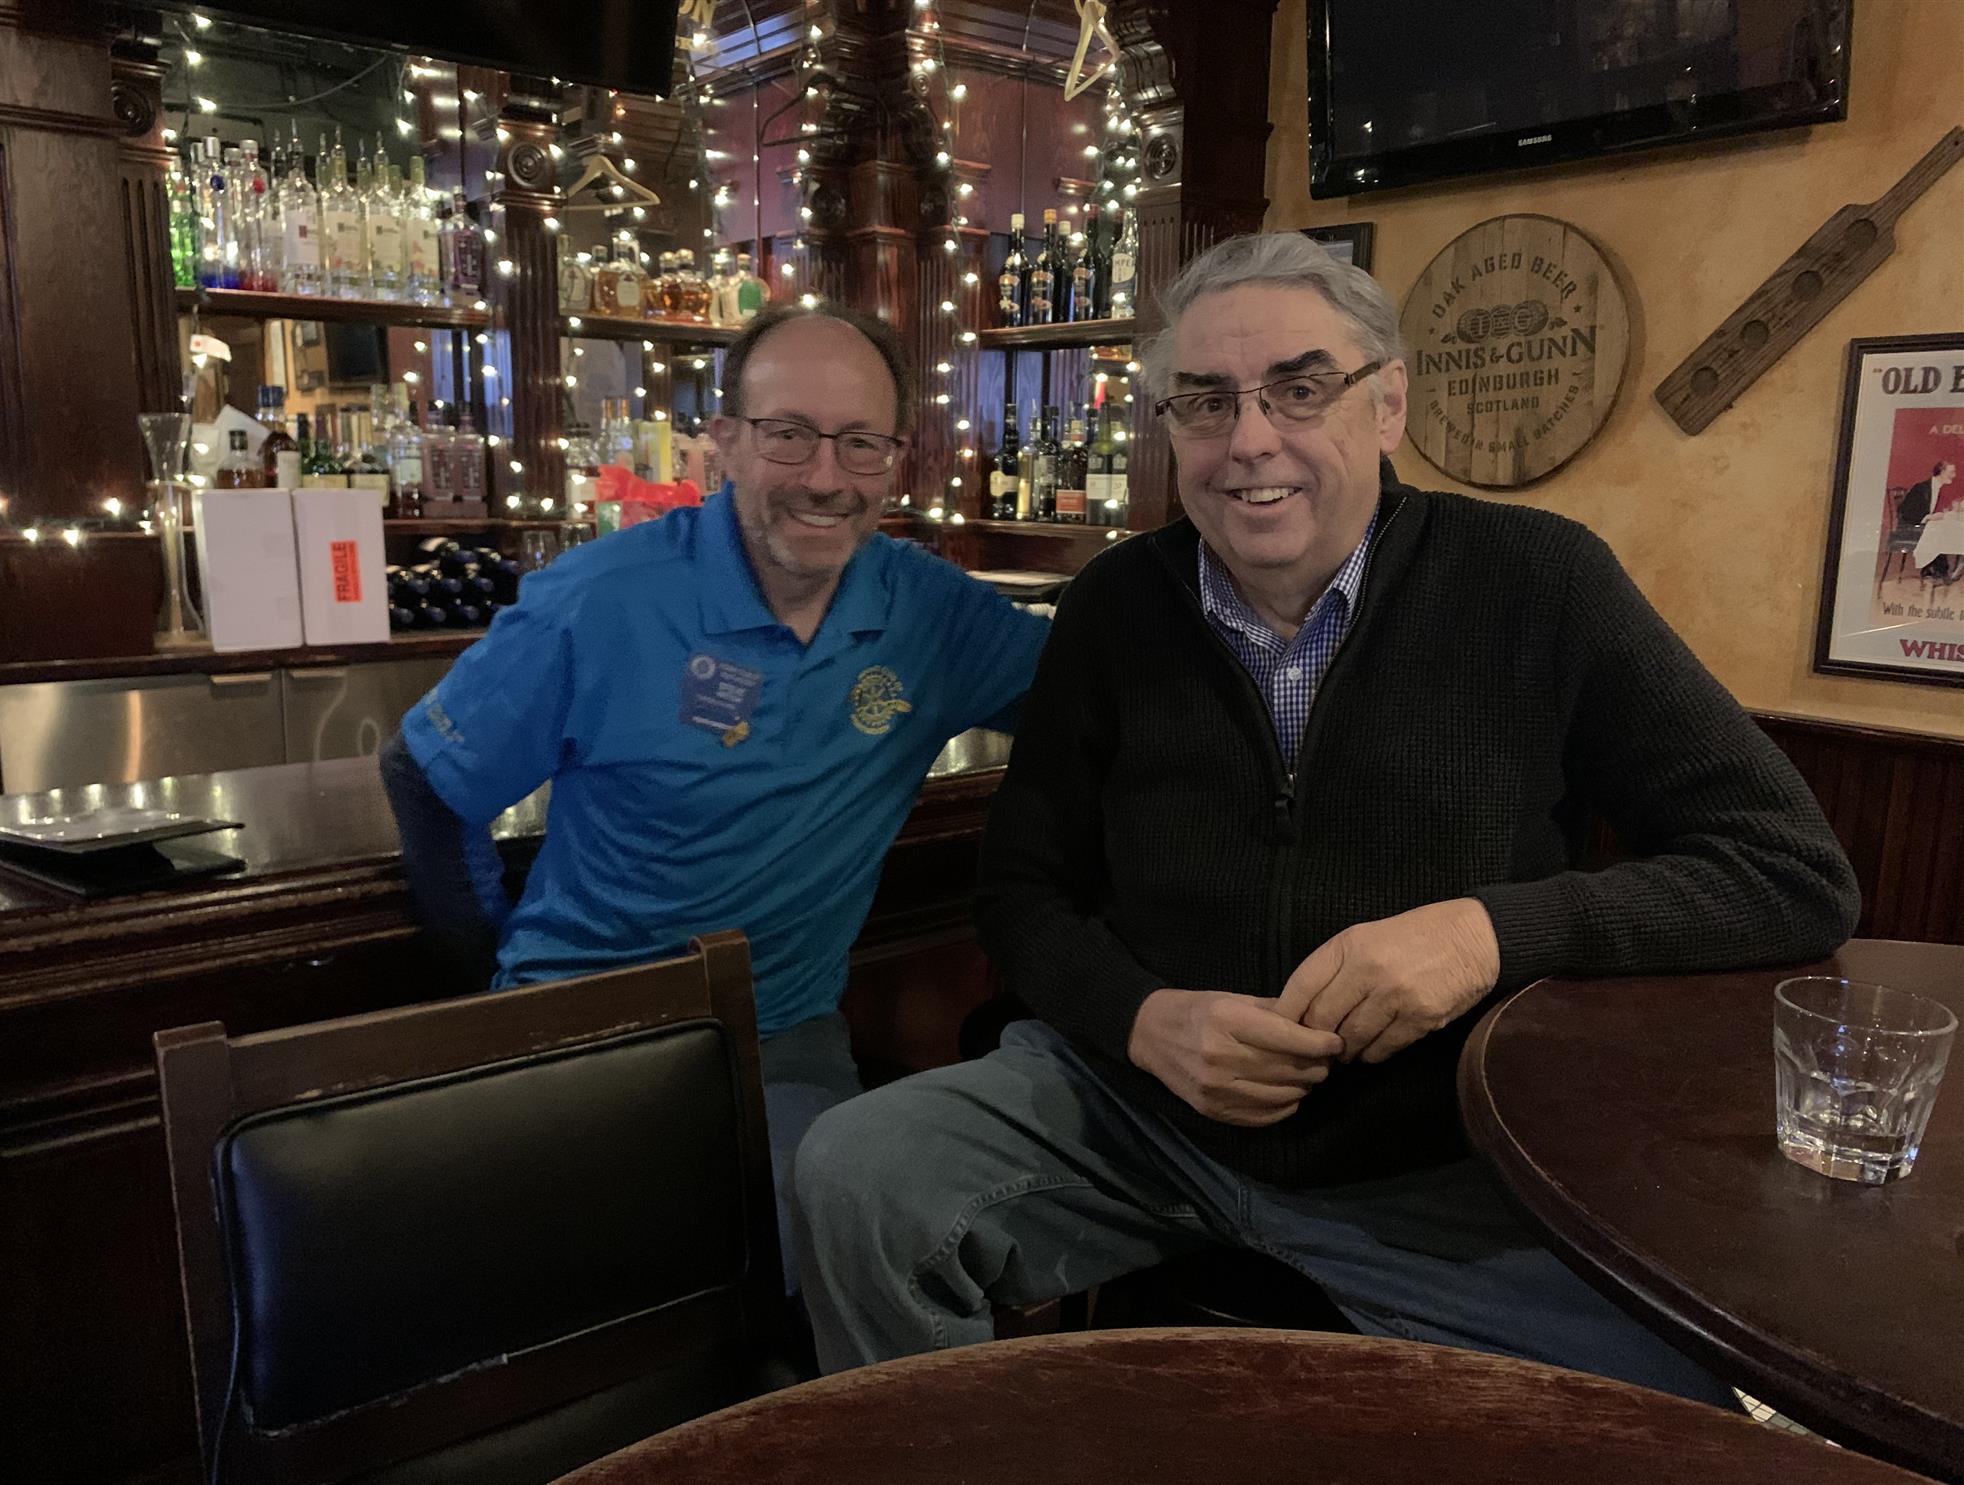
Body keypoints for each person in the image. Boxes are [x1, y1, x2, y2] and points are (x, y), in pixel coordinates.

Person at [792, 232, 1860, 1399]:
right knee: (857, 1169)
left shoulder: (1538, 579)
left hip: (1447, 1161)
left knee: (1670, 1420)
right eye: (1206, 402)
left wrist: (1485, 934)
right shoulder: (1115, 605)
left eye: (1299, 389)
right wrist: (1141, 1019)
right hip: (1140, 1118)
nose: (1251, 440)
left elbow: (1790, 871)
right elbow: (1020, 892)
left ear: (1388, 403)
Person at [380, 302, 1049, 1290]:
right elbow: (425, 777)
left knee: (850, 1267)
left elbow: (1105, 696)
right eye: (789, 434)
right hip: (579, 1037)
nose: (825, 477)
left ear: (895, 461)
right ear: (725, 441)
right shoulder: (603, 597)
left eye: (860, 443)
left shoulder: (928, 611)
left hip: (784, 1039)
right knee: (580, 1300)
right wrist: (494, 983)